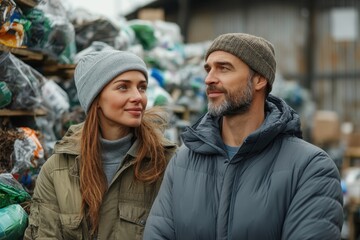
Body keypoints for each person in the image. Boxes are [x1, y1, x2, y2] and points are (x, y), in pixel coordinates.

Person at [143, 33, 343, 239]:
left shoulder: (310, 167)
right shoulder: (183, 162)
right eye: (208, 69)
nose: (209, 79)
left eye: (224, 68)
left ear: (259, 79)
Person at [24, 50, 177, 239]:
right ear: (96, 100)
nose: (138, 97)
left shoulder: (166, 163)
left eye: (142, 87)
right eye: (123, 87)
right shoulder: (57, 170)